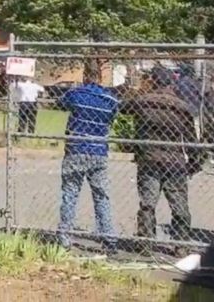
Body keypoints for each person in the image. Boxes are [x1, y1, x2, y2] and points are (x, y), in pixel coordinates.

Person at [120, 67, 196, 244]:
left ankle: (146, 240)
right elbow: (191, 138)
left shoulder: (144, 101)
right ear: (171, 82)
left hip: (149, 157)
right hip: (174, 159)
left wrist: (138, 89)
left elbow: (123, 107)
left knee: (148, 202)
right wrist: (194, 161)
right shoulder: (181, 106)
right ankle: (181, 243)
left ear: (153, 80)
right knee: (179, 204)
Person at [57, 61, 120, 251]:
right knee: (101, 196)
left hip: (76, 149)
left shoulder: (76, 94)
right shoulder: (110, 100)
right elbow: (112, 117)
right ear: (101, 77)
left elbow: (60, 103)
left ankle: (65, 236)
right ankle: (109, 238)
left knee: (70, 193)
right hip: (98, 150)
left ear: (84, 76)